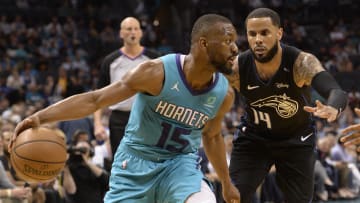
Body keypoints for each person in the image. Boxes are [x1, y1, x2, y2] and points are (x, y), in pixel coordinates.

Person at [10, 14, 240, 203]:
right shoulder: (155, 72)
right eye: (228, 40)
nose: (235, 49)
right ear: (203, 43)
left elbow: (212, 136)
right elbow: (95, 100)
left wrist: (227, 183)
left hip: (179, 165)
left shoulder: (223, 93)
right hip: (134, 163)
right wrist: (39, 117)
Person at [226, 8, 347, 203]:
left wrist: (332, 107)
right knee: (233, 197)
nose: (258, 39)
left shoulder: (300, 62)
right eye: (252, 34)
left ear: (279, 33)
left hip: (296, 141)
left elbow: (337, 91)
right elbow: (203, 88)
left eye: (264, 33)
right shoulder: (237, 67)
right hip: (254, 139)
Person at [93, 17, 160, 159]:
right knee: (120, 163)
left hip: (147, 117)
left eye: (136, 29)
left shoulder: (154, 59)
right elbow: (98, 96)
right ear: (121, 33)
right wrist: (97, 123)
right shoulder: (110, 61)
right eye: (129, 29)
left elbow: (165, 91)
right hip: (119, 118)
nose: (133, 32)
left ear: (141, 33)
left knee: (148, 162)